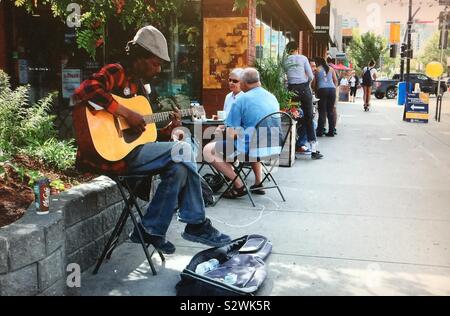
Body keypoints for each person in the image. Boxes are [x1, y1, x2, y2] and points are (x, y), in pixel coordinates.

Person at [72, 25, 231, 254]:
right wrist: (125, 112)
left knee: (178, 168)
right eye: (155, 63)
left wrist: (170, 127)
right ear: (139, 58)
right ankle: (196, 223)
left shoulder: (139, 86)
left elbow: (145, 132)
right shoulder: (116, 71)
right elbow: (84, 90)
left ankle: (150, 229)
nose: (158, 70)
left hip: (130, 151)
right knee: (183, 151)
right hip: (110, 156)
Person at [203, 68, 279, 198]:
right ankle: (257, 182)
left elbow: (231, 134)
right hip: (274, 146)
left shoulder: (241, 100)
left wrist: (219, 136)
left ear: (243, 83)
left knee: (208, 150)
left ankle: (238, 185)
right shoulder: (272, 97)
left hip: (252, 149)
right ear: (258, 81)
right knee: (252, 138)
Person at [285, 42, 322, 160]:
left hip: (292, 91)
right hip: (305, 90)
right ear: (297, 49)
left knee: (292, 116)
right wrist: (305, 83)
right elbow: (311, 76)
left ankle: (291, 148)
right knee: (309, 117)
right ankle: (314, 149)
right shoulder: (303, 58)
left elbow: (283, 77)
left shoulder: (285, 60)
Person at [314, 57, 338, 138]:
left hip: (322, 90)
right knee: (330, 111)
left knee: (322, 111)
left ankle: (320, 131)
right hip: (332, 90)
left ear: (317, 63)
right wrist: (334, 89)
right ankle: (331, 131)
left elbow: (315, 82)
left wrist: (315, 91)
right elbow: (335, 80)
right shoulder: (331, 69)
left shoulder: (317, 69)